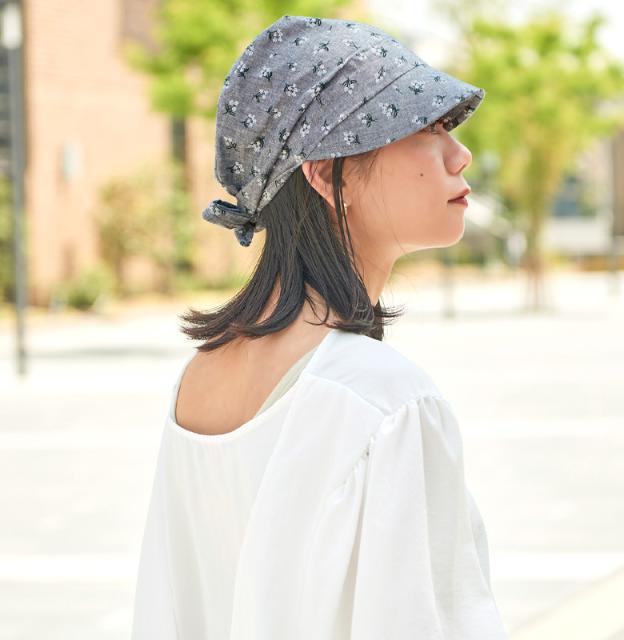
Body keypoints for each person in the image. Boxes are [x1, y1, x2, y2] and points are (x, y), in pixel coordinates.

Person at [131, 14, 509, 639]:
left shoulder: (198, 380)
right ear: (326, 171)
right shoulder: (385, 398)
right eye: (426, 127)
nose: (459, 154)